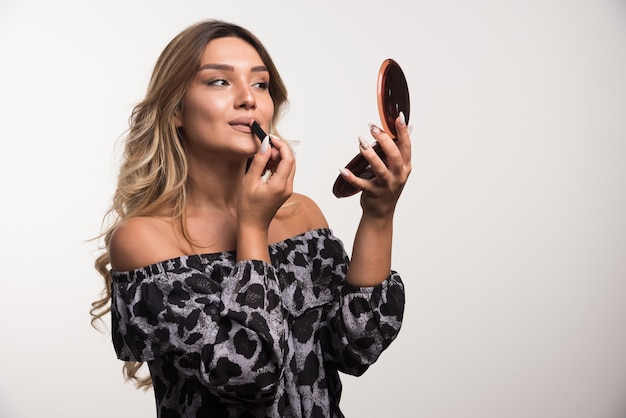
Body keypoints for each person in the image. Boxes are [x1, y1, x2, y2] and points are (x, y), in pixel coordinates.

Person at [91, 19, 411, 418]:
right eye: (220, 82)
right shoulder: (145, 240)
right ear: (176, 110)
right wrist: (252, 227)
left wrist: (379, 213)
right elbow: (251, 375)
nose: (248, 99)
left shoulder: (302, 215)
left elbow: (358, 345)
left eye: (260, 84)